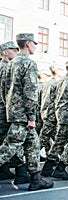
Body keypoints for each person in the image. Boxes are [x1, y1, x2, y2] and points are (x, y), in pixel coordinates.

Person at [0, 33, 53, 190]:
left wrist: (9, 108)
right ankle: (35, 178)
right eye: (34, 44)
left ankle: (36, 178)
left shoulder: (9, 64)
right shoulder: (28, 64)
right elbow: (30, 92)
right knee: (9, 148)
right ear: (28, 44)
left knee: (33, 144)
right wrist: (31, 117)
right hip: (23, 115)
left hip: (12, 112)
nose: (36, 47)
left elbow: (3, 91)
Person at [41, 60, 68, 176]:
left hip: (60, 114)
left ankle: (48, 167)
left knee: (59, 141)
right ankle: (59, 168)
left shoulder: (61, 81)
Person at [0, 41, 20, 180]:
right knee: (11, 141)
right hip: (5, 109)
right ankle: (21, 172)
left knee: (4, 141)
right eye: (13, 50)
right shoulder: (6, 67)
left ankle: (5, 169)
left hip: (3, 108)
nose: (16, 52)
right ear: (5, 52)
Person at [39, 66, 60, 161]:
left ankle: (52, 158)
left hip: (45, 113)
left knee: (47, 137)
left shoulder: (47, 83)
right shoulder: (56, 83)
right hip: (52, 114)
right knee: (44, 138)